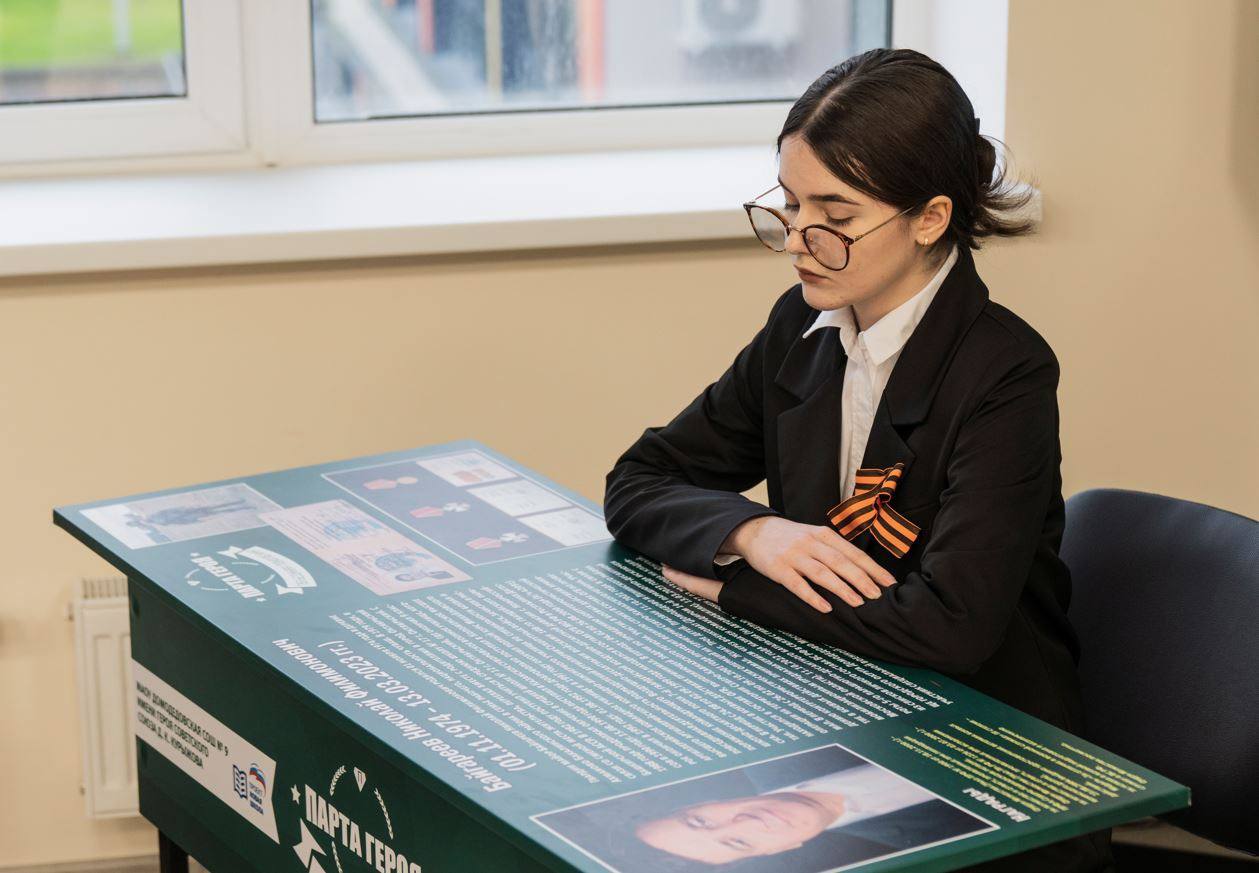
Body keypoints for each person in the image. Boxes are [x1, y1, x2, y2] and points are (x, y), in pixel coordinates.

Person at [602, 47, 1113, 873]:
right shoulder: (798, 329)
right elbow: (638, 480)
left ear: (929, 218)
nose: (797, 241)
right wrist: (754, 533)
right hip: (836, 707)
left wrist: (738, 588)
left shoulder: (1005, 373)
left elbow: (949, 627)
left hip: (986, 749)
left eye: (834, 217)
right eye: (789, 203)